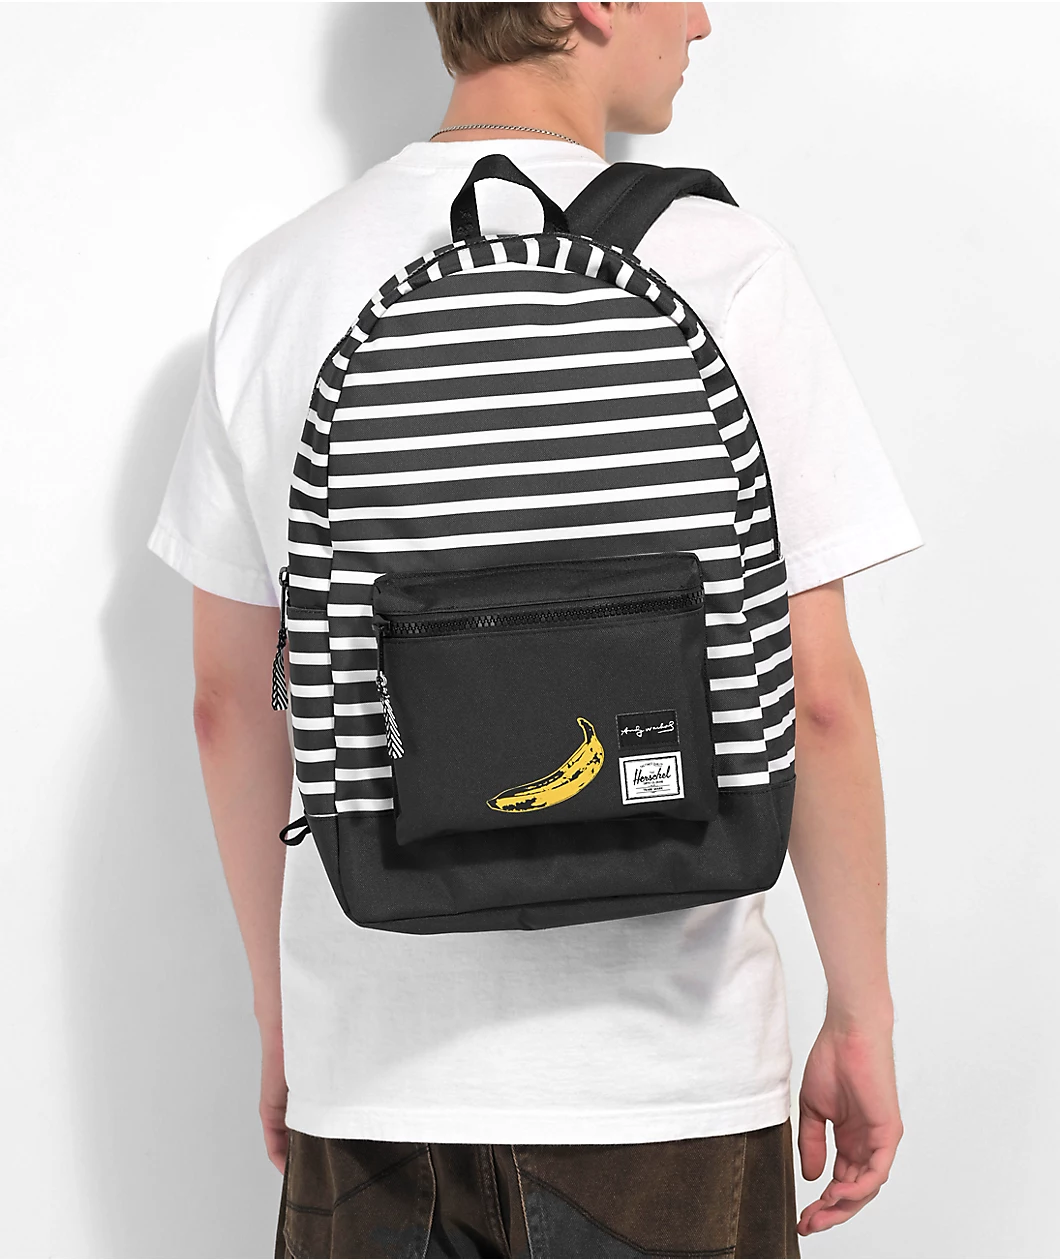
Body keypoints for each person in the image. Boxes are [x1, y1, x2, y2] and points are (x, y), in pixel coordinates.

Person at [147, 3, 921, 1256]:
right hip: (666, 1079)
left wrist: (285, 1015)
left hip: (376, 1077)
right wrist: (861, 1013)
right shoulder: (724, 265)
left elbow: (227, 705)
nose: (703, 19)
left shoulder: (282, 281)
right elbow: (816, 697)